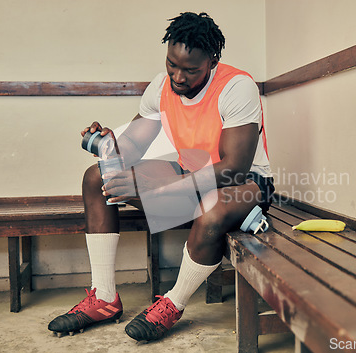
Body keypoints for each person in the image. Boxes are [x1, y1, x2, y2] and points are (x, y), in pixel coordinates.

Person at [48, 11, 273, 341]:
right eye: (172, 64)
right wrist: (110, 146)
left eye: (190, 69)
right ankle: (104, 296)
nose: (178, 77)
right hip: (189, 174)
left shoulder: (237, 87)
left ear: (211, 61)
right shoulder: (161, 86)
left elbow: (233, 168)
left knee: (211, 208)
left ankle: (174, 302)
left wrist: (166, 187)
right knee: (96, 177)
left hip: (246, 183)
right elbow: (133, 145)